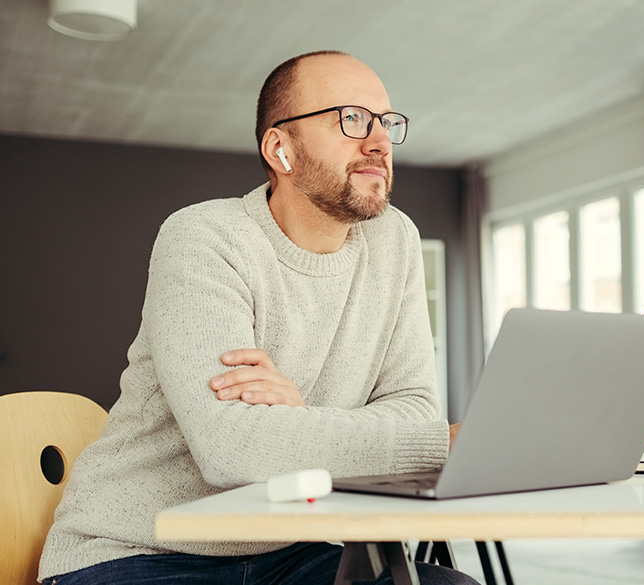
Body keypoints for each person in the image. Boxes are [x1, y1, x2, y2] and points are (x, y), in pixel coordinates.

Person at [38, 50, 473, 585]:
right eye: (352, 119)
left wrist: (299, 413)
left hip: (285, 549)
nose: (379, 141)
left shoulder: (395, 240)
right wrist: (438, 445)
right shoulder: (205, 237)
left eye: (386, 122)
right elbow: (231, 447)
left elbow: (415, 406)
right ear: (279, 148)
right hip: (138, 550)